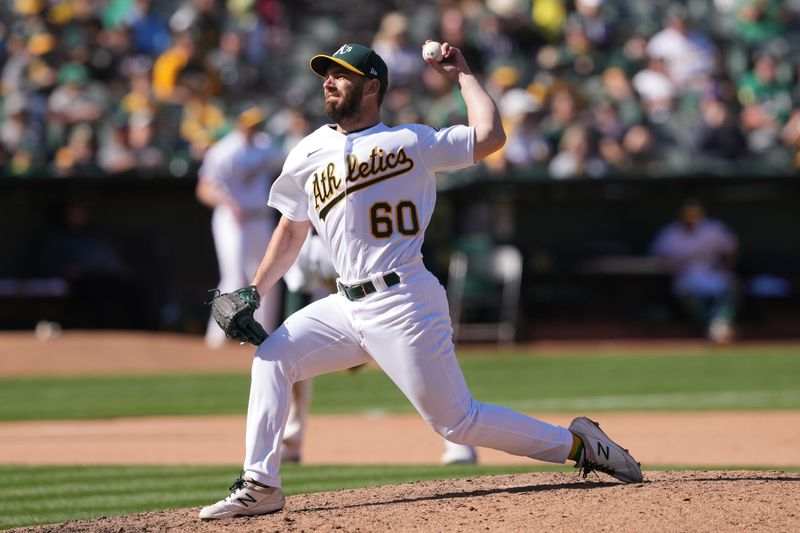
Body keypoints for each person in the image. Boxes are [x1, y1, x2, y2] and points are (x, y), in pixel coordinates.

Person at [199, 41, 642, 520]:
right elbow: (291, 227)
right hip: (344, 304)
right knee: (272, 358)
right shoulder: (308, 150)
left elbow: (490, 137)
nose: (328, 80)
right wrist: (255, 289)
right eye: (325, 73)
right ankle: (261, 484)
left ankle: (580, 446)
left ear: (372, 87)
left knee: (458, 423)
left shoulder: (412, 142)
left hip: (403, 300)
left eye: (341, 74)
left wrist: (463, 74)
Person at [278, 230, 479, 465]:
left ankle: (459, 440)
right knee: (289, 351)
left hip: (391, 293)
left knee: (425, 357)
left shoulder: (355, 230)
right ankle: (290, 443)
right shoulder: (302, 246)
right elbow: (295, 310)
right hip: (344, 298)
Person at [196, 105, 284, 348]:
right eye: (249, 124)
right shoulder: (225, 150)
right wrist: (227, 203)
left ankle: (266, 334)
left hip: (260, 217)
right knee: (234, 275)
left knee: (268, 274)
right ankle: (217, 337)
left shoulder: (265, 145)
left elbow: (286, 164)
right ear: (238, 124)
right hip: (232, 218)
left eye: (256, 124)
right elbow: (204, 188)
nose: (253, 128)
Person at [650, 198, 739, 344]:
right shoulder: (670, 233)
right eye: (688, 216)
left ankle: (720, 323)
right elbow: (659, 258)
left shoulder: (714, 229)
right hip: (685, 275)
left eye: (695, 216)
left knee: (734, 285)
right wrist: (674, 268)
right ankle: (712, 327)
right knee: (687, 292)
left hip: (711, 273)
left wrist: (725, 269)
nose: (692, 220)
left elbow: (731, 250)